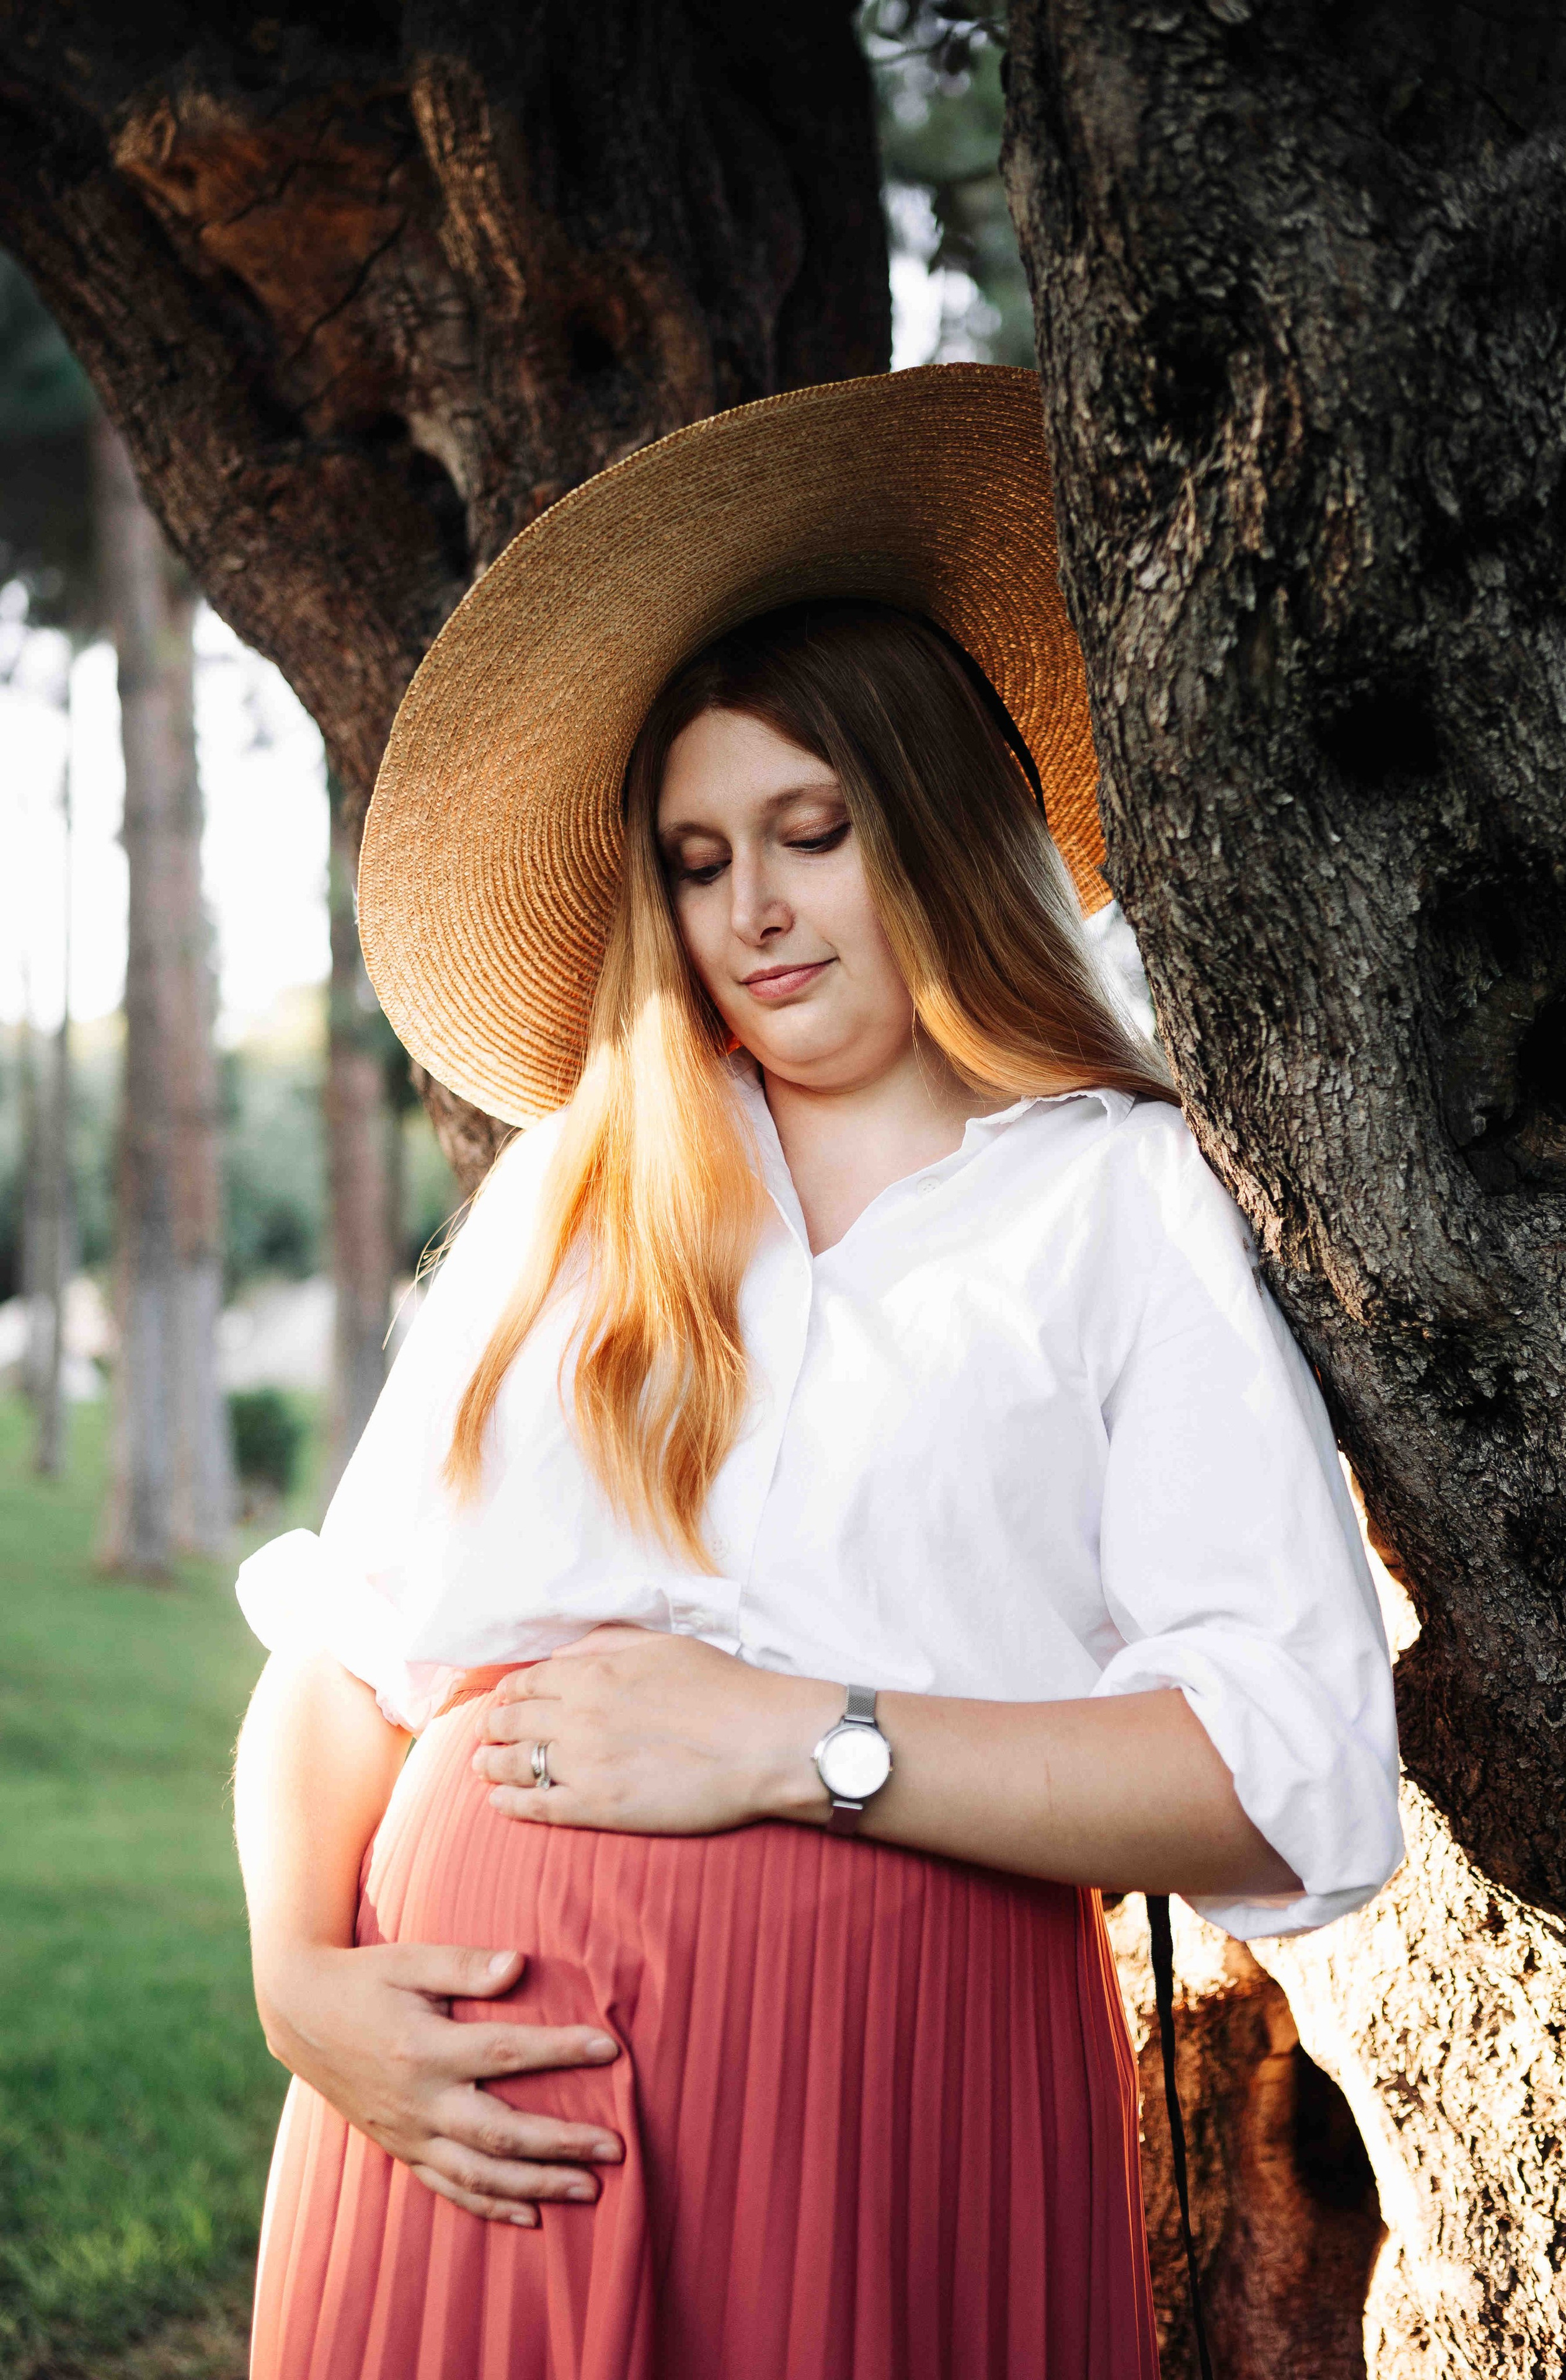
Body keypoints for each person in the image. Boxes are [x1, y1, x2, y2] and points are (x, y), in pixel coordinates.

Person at [232, 366, 1403, 2380]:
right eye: (698, 859)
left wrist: (805, 1743)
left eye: (811, 831)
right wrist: (294, 1985)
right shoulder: (579, 1191)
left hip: (892, 2108)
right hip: (463, 2119)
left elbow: (1289, 1772)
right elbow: (345, 1660)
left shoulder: (1116, 1200)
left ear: (934, 830)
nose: (754, 911)